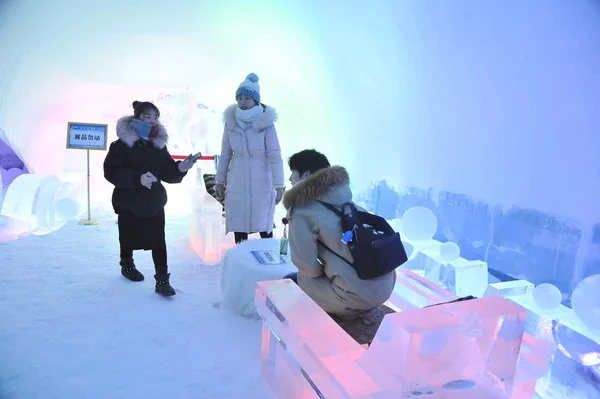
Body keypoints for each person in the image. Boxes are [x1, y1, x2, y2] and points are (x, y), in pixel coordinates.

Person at [281, 150, 396, 318]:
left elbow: (307, 266)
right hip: (386, 288)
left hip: (354, 298)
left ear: (305, 174)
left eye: (293, 172)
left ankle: (306, 330)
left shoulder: (301, 211)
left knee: (292, 280)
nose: (290, 179)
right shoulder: (347, 202)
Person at [103, 101, 197, 296]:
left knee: (158, 240)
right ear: (137, 117)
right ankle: (127, 265)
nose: (152, 121)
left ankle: (162, 279)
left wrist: (180, 168)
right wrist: (136, 179)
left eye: (155, 117)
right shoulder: (122, 144)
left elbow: (166, 170)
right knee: (127, 237)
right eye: (148, 117)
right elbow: (110, 171)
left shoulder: (158, 144)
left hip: (153, 201)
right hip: (129, 200)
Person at [214, 73, 285, 244]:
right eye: (240, 98)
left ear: (256, 100)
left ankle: (268, 260)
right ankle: (241, 260)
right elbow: (225, 155)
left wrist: (279, 184)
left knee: (263, 223)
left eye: (247, 98)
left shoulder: (266, 123)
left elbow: (275, 155)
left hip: (261, 177)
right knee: (239, 223)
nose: (243, 102)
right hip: (237, 178)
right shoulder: (231, 122)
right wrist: (219, 181)